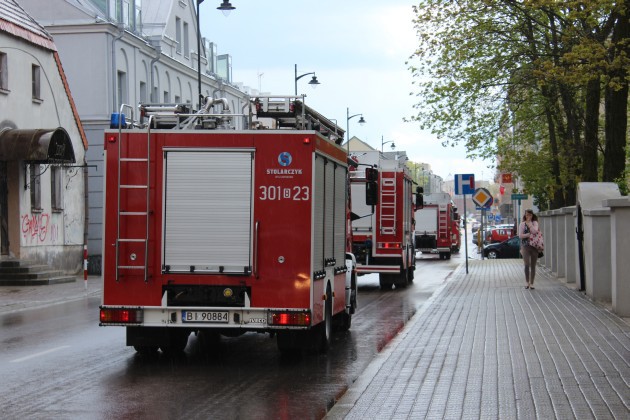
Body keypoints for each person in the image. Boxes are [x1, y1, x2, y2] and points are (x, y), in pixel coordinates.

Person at [519, 209, 540, 289]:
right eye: (527, 215)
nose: (528, 216)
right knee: (527, 264)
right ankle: (527, 282)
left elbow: (535, 231)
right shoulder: (522, 224)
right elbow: (520, 235)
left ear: (532, 215)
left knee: (533, 265)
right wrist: (528, 235)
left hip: (534, 246)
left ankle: (532, 283)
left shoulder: (535, 223)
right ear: (525, 215)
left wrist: (530, 224)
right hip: (525, 246)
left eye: (530, 215)